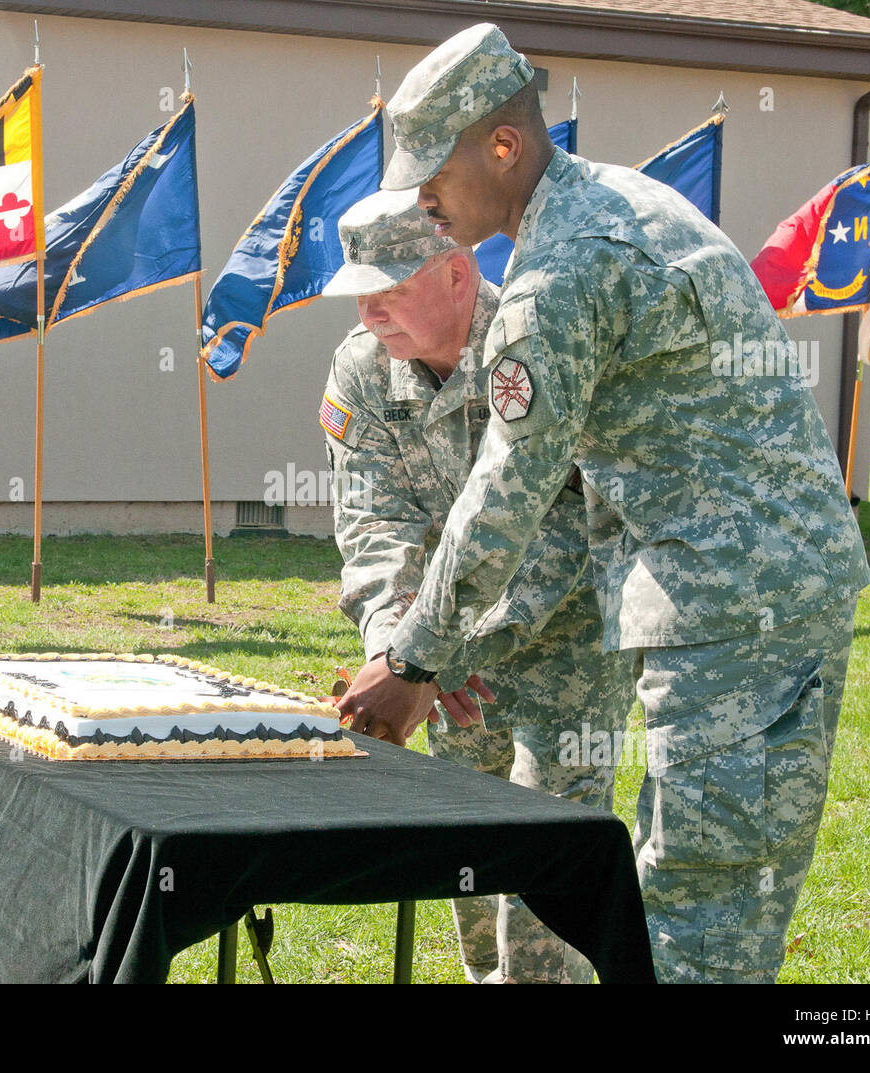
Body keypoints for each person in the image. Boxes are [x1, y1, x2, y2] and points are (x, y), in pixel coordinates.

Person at [334, 23, 870, 984]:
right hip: (757, 597)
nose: (426, 205)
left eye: (432, 182)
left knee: (698, 915)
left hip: (727, 612)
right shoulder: (622, 202)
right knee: (718, 899)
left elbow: (508, 491)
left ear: (503, 145)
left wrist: (415, 658)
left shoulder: (559, 274)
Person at [319, 188, 634, 983]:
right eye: (360, 291)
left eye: (391, 288)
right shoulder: (362, 369)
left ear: (458, 273)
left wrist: (432, 661)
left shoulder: (535, 345)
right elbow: (373, 523)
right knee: (471, 868)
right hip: (439, 659)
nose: (370, 312)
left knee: (537, 896)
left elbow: (568, 531)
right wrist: (397, 647)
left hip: (565, 647)